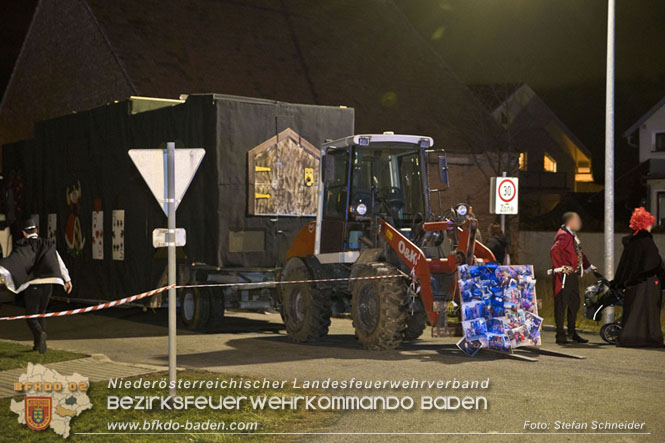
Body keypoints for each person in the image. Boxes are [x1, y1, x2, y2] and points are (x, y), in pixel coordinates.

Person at [0, 217, 72, 353]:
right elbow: (58, 261)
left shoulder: (24, 245)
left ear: (23, 232)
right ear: (36, 230)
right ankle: (38, 344)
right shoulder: (47, 244)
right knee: (41, 313)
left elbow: (13, 263)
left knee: (30, 316)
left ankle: (40, 335)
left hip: (33, 285)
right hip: (48, 285)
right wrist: (67, 279)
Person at [613, 207, 664, 347]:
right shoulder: (646, 241)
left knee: (634, 311)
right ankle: (649, 339)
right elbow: (654, 262)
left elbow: (625, 264)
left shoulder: (632, 241)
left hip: (633, 285)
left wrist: (621, 282)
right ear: (646, 223)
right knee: (650, 312)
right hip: (646, 282)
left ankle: (630, 338)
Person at [550, 212, 595, 345]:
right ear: (570, 221)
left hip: (572, 274)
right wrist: (560, 268)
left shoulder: (571, 235)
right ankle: (560, 334)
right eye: (577, 220)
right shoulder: (563, 235)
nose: (579, 222)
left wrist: (587, 266)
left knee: (574, 303)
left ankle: (571, 332)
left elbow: (578, 252)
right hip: (565, 275)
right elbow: (554, 251)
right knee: (562, 304)